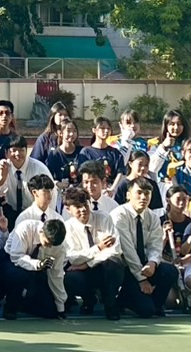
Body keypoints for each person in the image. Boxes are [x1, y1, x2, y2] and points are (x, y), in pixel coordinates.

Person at [112, 177, 176, 318]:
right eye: (139, 193)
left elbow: (155, 245)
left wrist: (153, 263)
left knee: (169, 271)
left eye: (147, 193)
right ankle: (124, 300)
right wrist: (142, 279)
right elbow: (127, 249)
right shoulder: (119, 215)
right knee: (146, 311)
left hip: (144, 265)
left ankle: (155, 305)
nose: (143, 197)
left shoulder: (152, 217)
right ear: (128, 195)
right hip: (124, 268)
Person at [60, 186, 123, 319]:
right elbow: (74, 258)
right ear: (68, 209)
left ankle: (110, 304)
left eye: (85, 204)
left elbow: (115, 250)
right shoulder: (67, 227)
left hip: (103, 267)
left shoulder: (104, 217)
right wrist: (98, 248)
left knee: (114, 264)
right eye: (78, 206)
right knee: (70, 278)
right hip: (84, 272)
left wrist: (88, 264)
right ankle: (89, 299)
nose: (83, 209)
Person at [2, 216, 68, 320]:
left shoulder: (60, 247)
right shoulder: (25, 228)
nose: (50, 247)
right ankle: (10, 307)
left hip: (37, 270)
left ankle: (25, 304)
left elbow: (57, 274)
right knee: (17, 276)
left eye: (53, 245)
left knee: (50, 312)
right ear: (41, 232)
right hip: (12, 262)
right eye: (47, 243)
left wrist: (60, 307)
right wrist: (38, 264)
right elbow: (16, 257)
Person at [82, 118, 128, 185]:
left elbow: (120, 172)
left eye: (108, 128)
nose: (106, 131)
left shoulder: (115, 153)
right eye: (102, 128)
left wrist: (113, 188)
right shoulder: (86, 152)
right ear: (94, 130)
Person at [148, 110, 191, 181]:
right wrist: (164, 147)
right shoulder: (155, 143)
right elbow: (152, 168)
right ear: (166, 126)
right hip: (162, 184)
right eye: (172, 124)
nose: (176, 127)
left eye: (179, 124)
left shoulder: (189, 144)